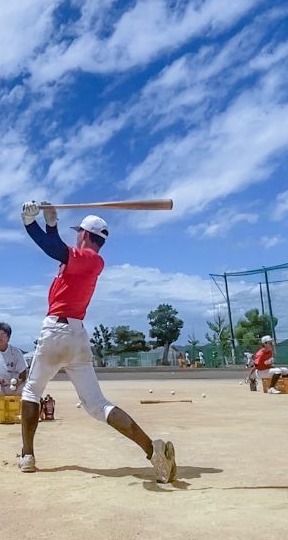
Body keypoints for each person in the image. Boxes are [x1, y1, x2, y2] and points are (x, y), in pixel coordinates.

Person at [16, 200, 177, 483]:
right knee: (96, 404)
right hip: (76, 334)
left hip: (56, 330)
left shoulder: (89, 259)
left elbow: (53, 249)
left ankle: (27, 455)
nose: (76, 235)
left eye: (79, 232)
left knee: (32, 392)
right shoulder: (85, 259)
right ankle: (153, 451)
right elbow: (58, 250)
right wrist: (50, 224)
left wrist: (29, 223)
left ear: (84, 235)